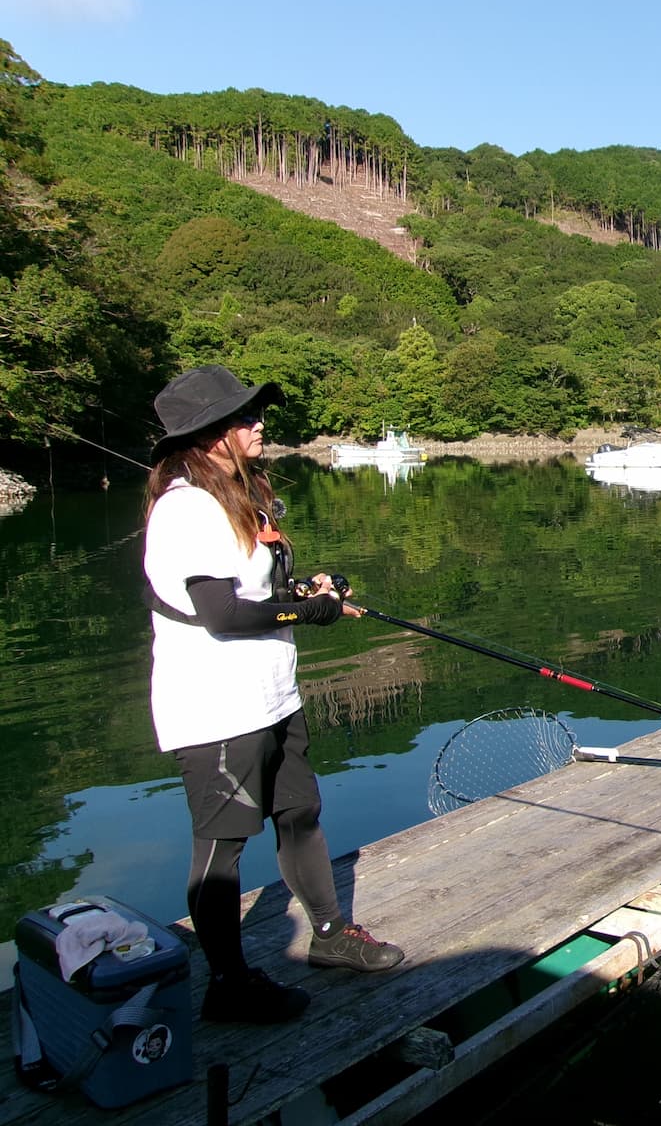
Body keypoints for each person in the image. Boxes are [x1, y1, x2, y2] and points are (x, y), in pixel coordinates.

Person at [143, 365, 403, 1024]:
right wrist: (304, 615)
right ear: (208, 435)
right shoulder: (186, 508)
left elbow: (254, 594)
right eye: (245, 417)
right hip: (215, 706)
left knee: (300, 812)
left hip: (271, 695)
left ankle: (330, 937)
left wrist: (305, 593)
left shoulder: (234, 495)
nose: (259, 424)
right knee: (223, 844)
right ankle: (228, 984)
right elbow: (222, 616)